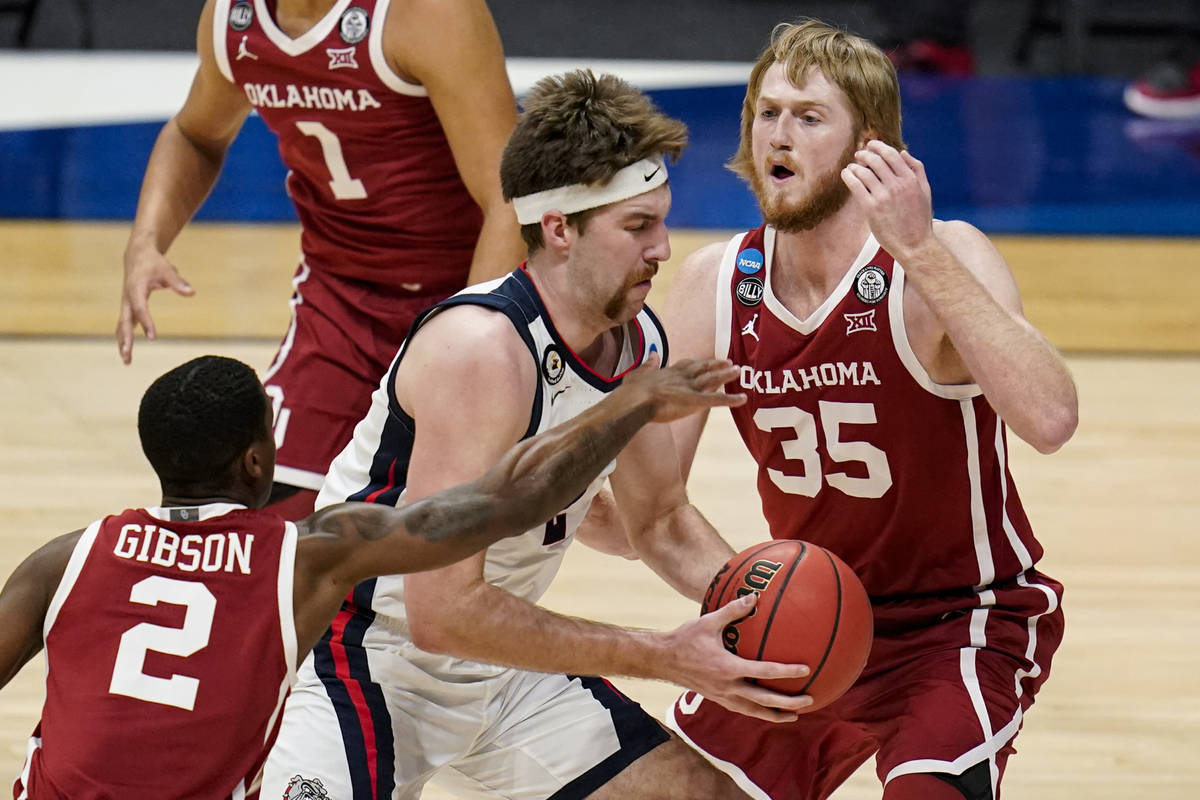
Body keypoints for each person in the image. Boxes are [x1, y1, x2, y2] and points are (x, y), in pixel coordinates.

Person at [261, 70, 813, 800]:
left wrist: (765, 611)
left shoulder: (638, 339)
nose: (664, 249)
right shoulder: (481, 350)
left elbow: (658, 520)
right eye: (638, 227)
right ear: (559, 228)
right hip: (365, 657)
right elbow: (442, 612)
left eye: (663, 221)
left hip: (502, 666)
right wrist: (664, 656)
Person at [1, 352, 743, 799]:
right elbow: (506, 501)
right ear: (258, 461)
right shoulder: (305, 556)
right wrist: (630, 401)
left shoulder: (67, 557)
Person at [660, 20, 1078, 800]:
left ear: (871, 148)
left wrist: (921, 250)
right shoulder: (714, 284)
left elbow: (1051, 418)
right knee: (667, 788)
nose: (778, 136)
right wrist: (753, 601)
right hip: (808, 616)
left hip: (959, 621)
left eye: (809, 117)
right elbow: (647, 509)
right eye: (767, 112)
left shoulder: (941, 258)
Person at [116, 0, 525, 520]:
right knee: (252, 517)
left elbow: (510, 197)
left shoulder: (427, 14)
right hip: (339, 303)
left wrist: (466, 343)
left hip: (462, 294)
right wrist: (146, 242)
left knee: (440, 532)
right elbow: (196, 133)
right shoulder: (233, 19)